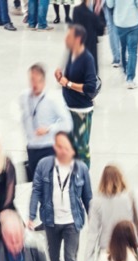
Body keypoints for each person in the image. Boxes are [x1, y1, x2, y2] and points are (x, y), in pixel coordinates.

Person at [28, 131, 92, 261]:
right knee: (53, 255)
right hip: (51, 220)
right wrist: (31, 215)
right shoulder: (44, 165)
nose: (62, 150)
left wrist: (92, 218)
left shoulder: (81, 169)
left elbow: (87, 197)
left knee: (70, 258)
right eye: (59, 146)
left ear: (72, 150)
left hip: (72, 221)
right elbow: (36, 190)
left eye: (66, 147)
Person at [85, 165, 138, 261]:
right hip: (127, 247)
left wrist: (88, 260)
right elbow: (136, 225)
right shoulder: (129, 197)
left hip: (106, 248)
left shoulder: (96, 201)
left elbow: (92, 232)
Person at [22, 64, 72, 185]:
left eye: (38, 81)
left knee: (48, 186)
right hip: (32, 148)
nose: (34, 84)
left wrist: (49, 129)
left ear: (43, 81)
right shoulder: (24, 97)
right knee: (37, 186)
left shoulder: (53, 98)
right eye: (32, 80)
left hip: (48, 148)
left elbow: (68, 123)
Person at [57, 25, 98, 165]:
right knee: (69, 147)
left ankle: (83, 178)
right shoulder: (70, 54)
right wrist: (60, 77)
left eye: (69, 36)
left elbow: (90, 87)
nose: (65, 39)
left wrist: (68, 84)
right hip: (68, 108)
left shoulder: (87, 59)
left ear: (78, 39)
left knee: (81, 149)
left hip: (81, 112)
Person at [111, 0, 138, 89]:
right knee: (132, 51)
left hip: (119, 23)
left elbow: (110, 4)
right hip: (133, 23)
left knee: (123, 47)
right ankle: (130, 79)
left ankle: (124, 72)